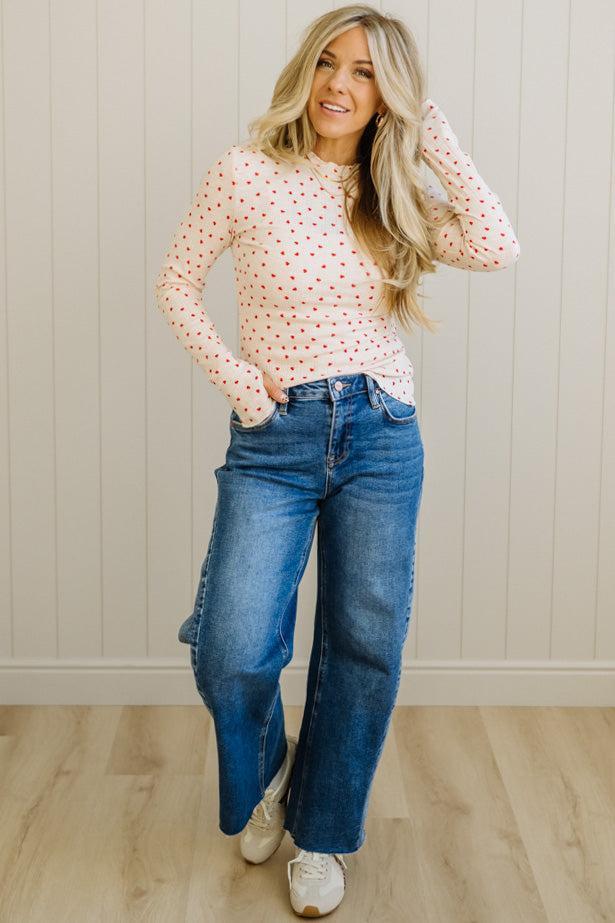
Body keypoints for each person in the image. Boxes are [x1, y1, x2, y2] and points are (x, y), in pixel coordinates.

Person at [154, 4, 520, 917]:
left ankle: (319, 834)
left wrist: (431, 134)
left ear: (385, 94)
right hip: (273, 437)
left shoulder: (392, 192)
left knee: (363, 643)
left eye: (363, 72)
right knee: (234, 648)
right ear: (304, 72)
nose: (338, 85)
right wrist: (241, 382)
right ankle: (275, 775)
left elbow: (495, 244)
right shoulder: (245, 174)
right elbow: (174, 282)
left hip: (380, 431)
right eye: (328, 63)